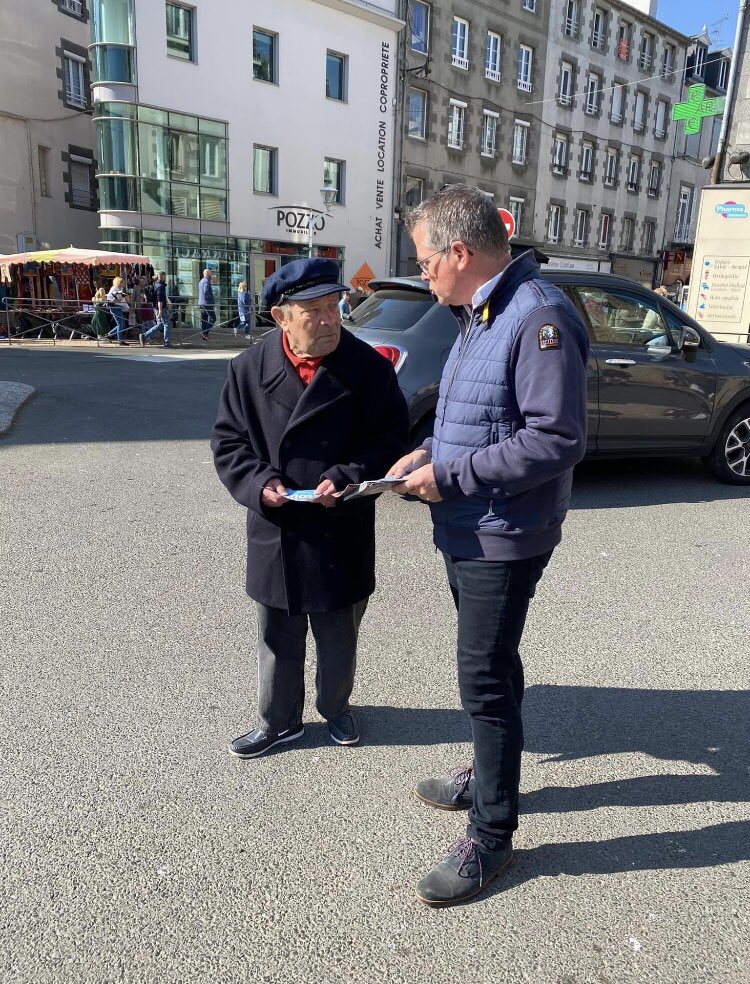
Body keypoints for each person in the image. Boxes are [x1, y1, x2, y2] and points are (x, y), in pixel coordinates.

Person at [387, 185, 589, 907]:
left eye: (425, 261)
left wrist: (454, 474)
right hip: (471, 522)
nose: (424, 274)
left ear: (460, 253)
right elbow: (474, 414)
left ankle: (492, 835)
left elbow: (557, 438)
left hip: (502, 532)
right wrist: (424, 454)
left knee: (484, 679)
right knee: (493, 665)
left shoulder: (537, 316)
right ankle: (488, 767)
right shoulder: (481, 311)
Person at [211, 258, 408, 759]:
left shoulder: (368, 368)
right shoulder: (247, 369)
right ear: (281, 317)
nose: (328, 320)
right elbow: (230, 443)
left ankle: (336, 707)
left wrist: (343, 477)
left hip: (340, 522)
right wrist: (262, 484)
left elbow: (390, 439)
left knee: (339, 631)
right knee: (277, 632)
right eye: (312, 312)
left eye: (333, 308)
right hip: (277, 524)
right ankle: (278, 720)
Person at [139, 272, 172, 348]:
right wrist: (160, 311)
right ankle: (167, 343)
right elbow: (159, 299)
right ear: (163, 277)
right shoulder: (160, 286)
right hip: (160, 308)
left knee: (160, 324)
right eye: (165, 277)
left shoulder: (155, 285)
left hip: (155, 307)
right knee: (167, 324)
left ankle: (144, 335)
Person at [105, 277, 130, 345]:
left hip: (119, 308)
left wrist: (127, 307)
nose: (123, 283)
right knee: (120, 324)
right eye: (122, 282)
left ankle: (109, 334)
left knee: (123, 324)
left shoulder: (120, 289)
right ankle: (120, 340)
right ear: (119, 282)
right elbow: (110, 298)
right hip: (115, 307)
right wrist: (117, 300)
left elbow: (122, 300)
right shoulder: (114, 288)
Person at [198, 269, 216, 340]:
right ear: (207, 274)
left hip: (201, 303)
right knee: (213, 318)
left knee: (204, 319)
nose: (211, 275)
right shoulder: (206, 281)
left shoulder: (201, 281)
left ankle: (204, 336)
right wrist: (210, 299)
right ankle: (205, 332)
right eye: (210, 274)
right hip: (207, 303)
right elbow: (206, 291)